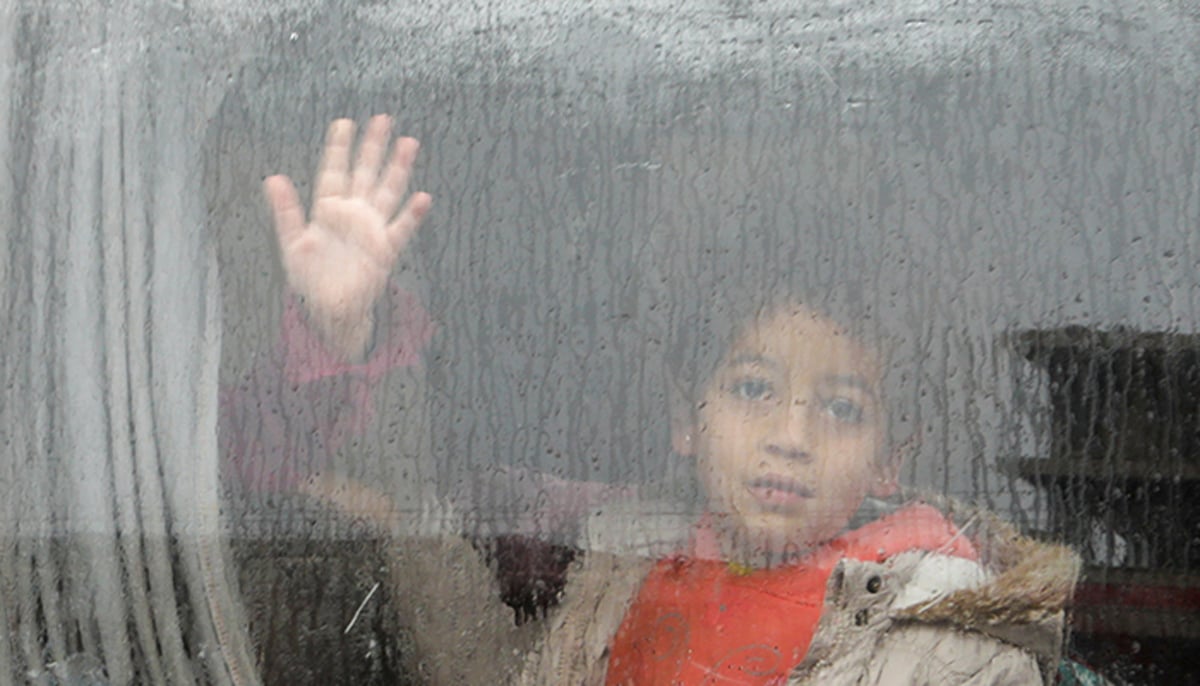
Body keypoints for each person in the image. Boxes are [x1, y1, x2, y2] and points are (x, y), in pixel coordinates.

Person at [261, 115, 1081, 685]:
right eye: (754, 388)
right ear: (685, 418)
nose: (790, 436)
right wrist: (412, 530)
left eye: (840, 409)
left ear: (891, 457)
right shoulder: (628, 571)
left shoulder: (951, 643)